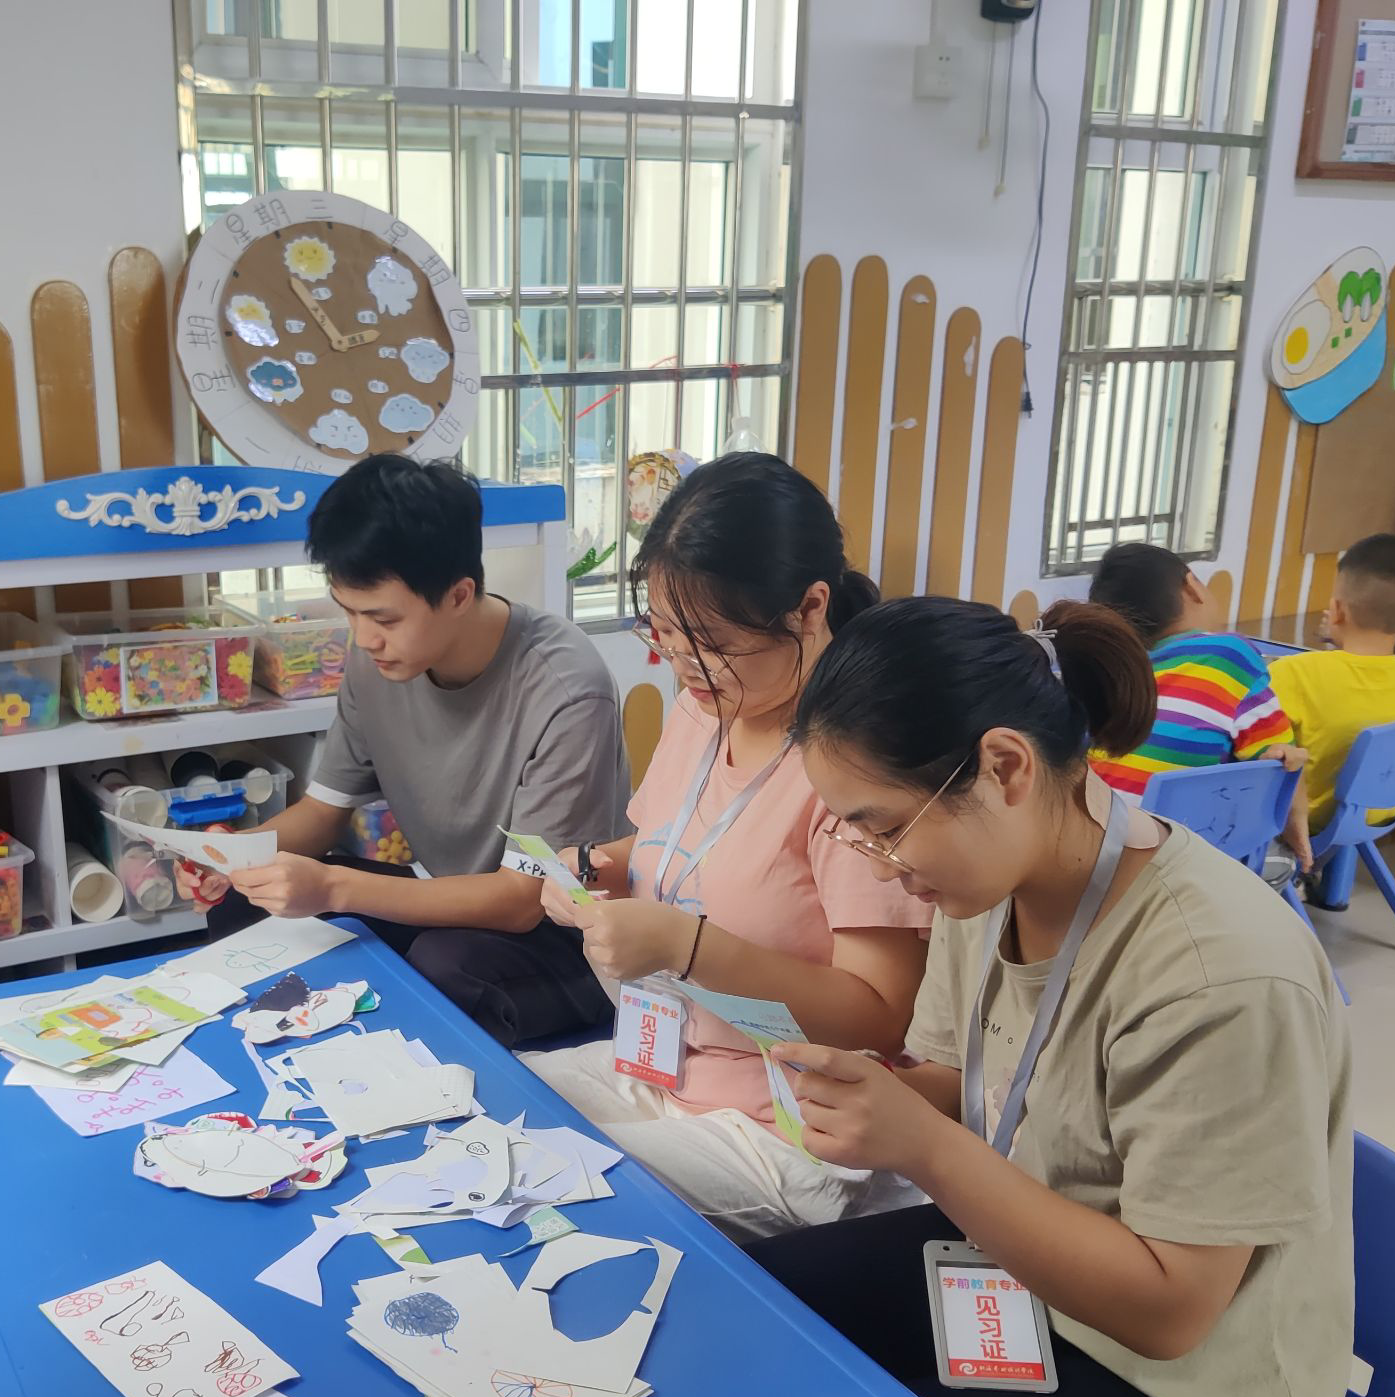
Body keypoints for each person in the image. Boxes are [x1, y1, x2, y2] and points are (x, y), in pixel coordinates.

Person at [745, 595, 1352, 1397]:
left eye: (884, 829)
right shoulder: (986, 884)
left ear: (1005, 767)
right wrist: (876, 1096)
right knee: (757, 1314)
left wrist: (922, 1146)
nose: (885, 868)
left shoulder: (1217, 973)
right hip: (1032, 1269)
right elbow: (974, 1082)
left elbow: (1170, 1312)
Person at [518, 454, 932, 1240]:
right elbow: (680, 848)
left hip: (790, 1125)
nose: (681, 663)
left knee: (547, 1178)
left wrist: (688, 945)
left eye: (707, 641)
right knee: (483, 1102)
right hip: (667, 1064)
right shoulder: (703, 708)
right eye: (663, 632)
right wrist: (599, 868)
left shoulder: (856, 762)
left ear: (809, 608)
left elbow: (877, 1020)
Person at [210, 454, 630, 1048]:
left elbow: (522, 902)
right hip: (449, 902)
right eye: (349, 612)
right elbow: (324, 812)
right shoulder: (377, 660)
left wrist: (332, 887)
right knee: (245, 906)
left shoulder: (566, 688)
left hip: (569, 935)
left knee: (445, 966)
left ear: (459, 595)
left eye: (382, 618)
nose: (363, 638)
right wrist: (233, 859)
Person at [1268, 534, 1395, 877]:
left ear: (1336, 611)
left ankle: (1283, 873)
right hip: (1379, 810)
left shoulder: (1293, 672)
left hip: (1310, 819)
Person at [1085, 542, 1304, 799]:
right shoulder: (1227, 656)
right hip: (1174, 824)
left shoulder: (1105, 672)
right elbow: (1279, 766)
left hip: (1099, 819)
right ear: (1192, 587)